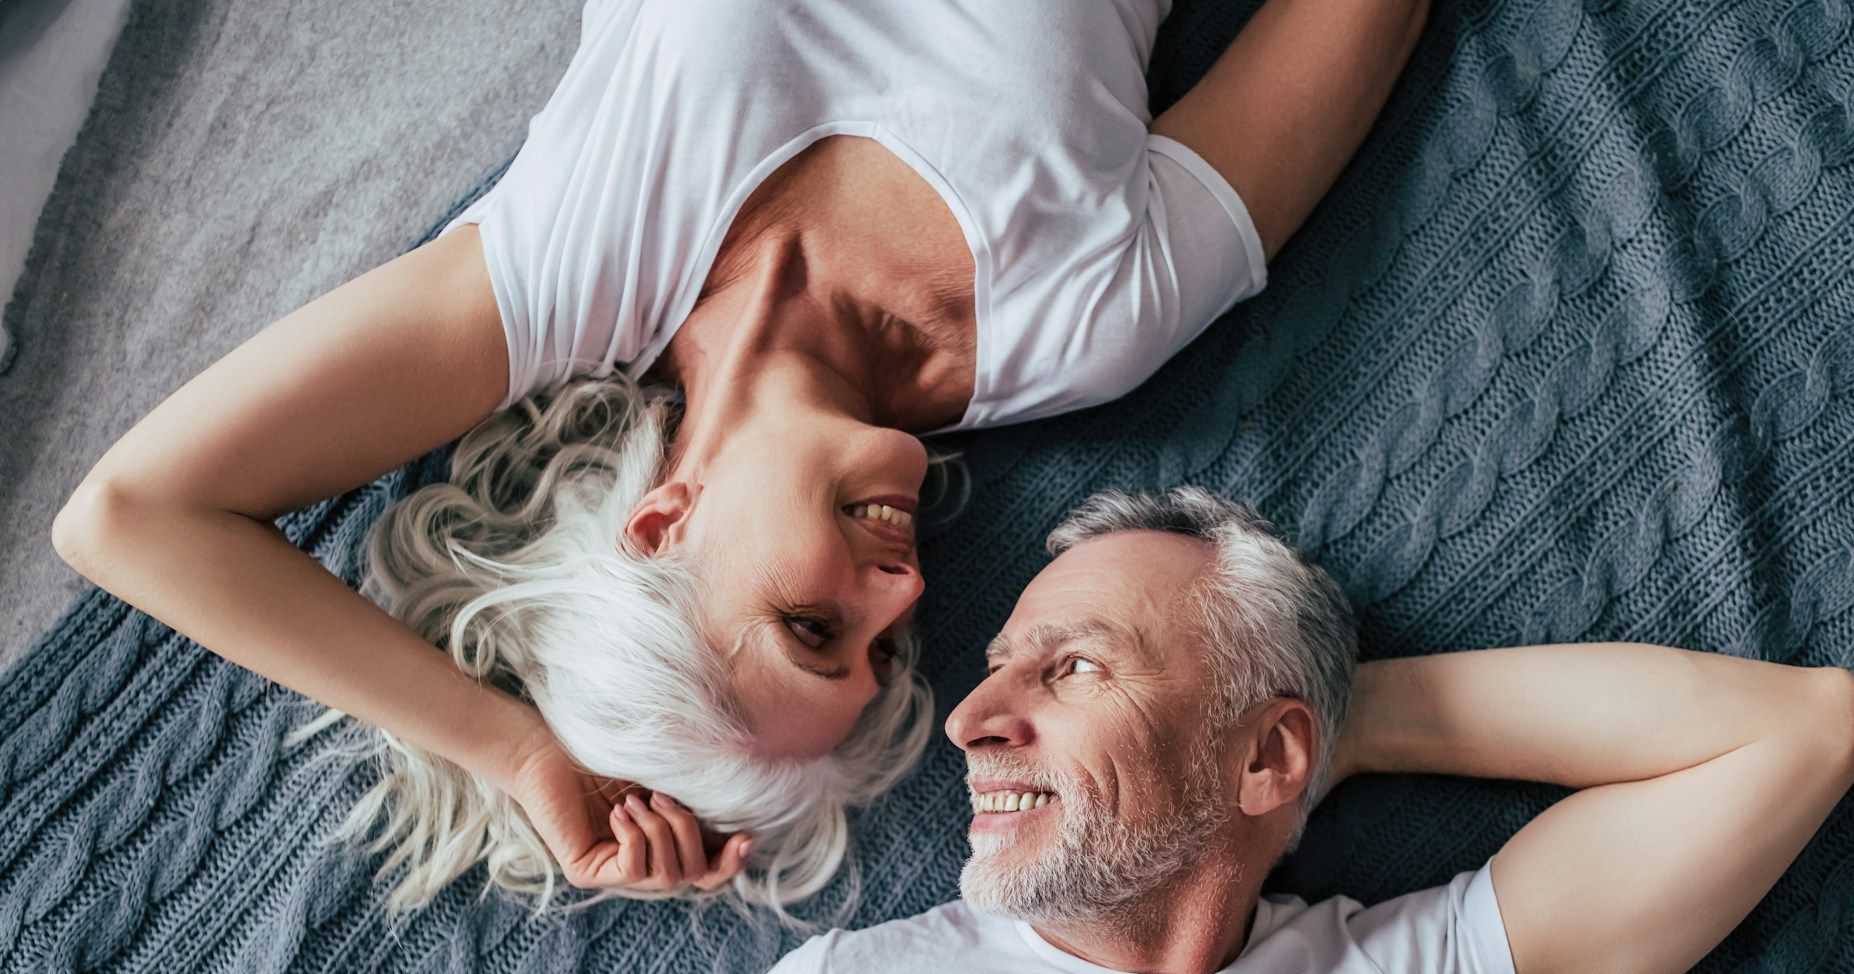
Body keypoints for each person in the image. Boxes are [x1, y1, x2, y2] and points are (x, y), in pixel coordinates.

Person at [48, 0, 1431, 917]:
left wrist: (517, 752)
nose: (903, 598)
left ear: (663, 521)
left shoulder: (572, 271)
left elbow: (130, 515)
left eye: (814, 623)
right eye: (883, 651)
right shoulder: (1089, 313)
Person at [477, 486, 1854, 974]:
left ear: (1272, 756)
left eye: (1069, 666)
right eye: (998, 664)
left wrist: (1325, 723)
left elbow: (1793, 733)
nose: (973, 717)